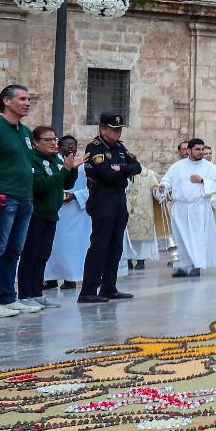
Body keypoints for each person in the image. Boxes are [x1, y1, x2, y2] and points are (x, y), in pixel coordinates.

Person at [0, 84, 37, 317]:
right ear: (6, 101)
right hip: (5, 198)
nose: (27, 102)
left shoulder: (24, 132)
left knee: (14, 250)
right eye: (22, 98)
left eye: (28, 99)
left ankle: (8, 297)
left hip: (25, 197)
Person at [80, 112, 142, 304]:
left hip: (118, 197)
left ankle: (109, 287)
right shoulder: (95, 147)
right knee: (100, 244)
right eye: (113, 129)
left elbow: (137, 167)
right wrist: (122, 170)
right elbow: (106, 175)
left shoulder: (120, 148)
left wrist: (120, 168)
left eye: (119, 129)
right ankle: (88, 290)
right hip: (102, 197)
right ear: (103, 128)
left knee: (116, 244)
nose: (117, 133)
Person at [19, 126, 79, 309]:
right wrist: (64, 170)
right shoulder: (33, 160)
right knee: (31, 254)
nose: (54, 143)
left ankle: (37, 293)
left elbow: (66, 183)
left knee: (43, 254)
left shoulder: (54, 159)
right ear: (36, 142)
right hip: (36, 213)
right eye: (48, 140)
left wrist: (72, 169)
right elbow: (41, 185)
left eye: (54, 139)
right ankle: (25, 294)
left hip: (51, 214)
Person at [161, 139, 216, 279]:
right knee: (180, 237)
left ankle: (196, 266)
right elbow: (167, 180)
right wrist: (164, 186)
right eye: (197, 149)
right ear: (189, 150)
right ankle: (183, 266)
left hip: (199, 208)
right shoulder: (177, 166)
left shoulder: (210, 168)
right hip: (180, 207)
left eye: (202, 149)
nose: (201, 152)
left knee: (196, 238)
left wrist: (203, 181)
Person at [44, 136, 90, 293]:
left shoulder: (83, 166)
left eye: (73, 144)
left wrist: (75, 195)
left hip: (75, 213)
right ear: (59, 146)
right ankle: (49, 278)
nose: (70, 147)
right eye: (66, 144)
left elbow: (90, 188)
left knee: (70, 248)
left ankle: (70, 278)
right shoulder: (53, 163)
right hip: (55, 210)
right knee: (51, 246)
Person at [122, 159, 169, 272]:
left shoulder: (148, 174)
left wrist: (159, 190)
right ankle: (127, 260)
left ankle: (141, 260)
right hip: (125, 210)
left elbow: (155, 191)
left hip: (143, 211)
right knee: (125, 236)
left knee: (142, 236)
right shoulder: (121, 174)